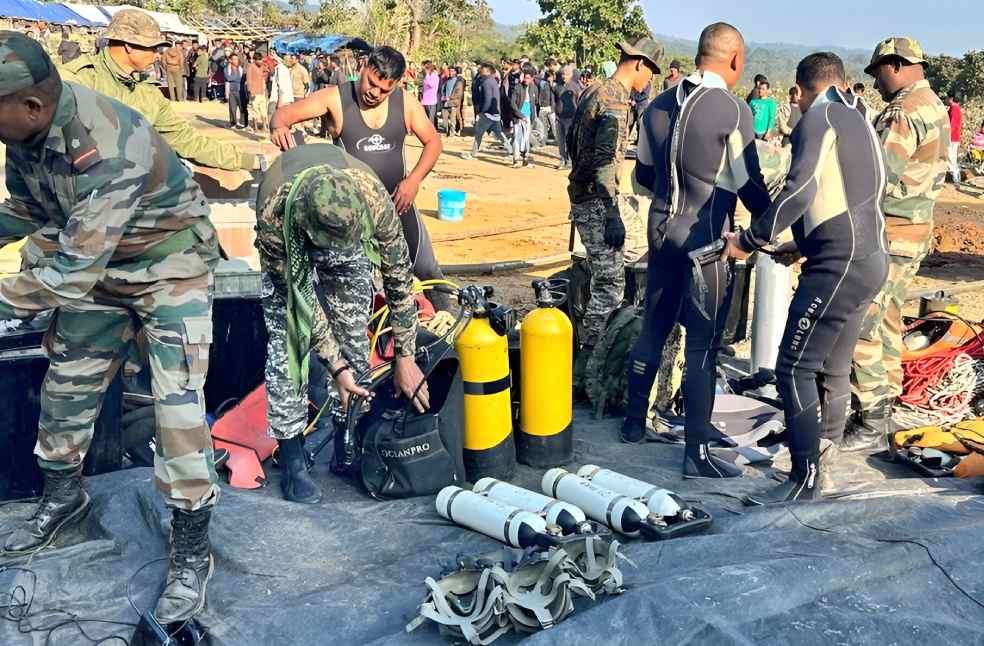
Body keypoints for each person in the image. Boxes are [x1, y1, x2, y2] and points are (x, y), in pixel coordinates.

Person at [0, 31, 219, 624]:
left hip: (169, 267)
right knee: (66, 386)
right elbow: (26, 209)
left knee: (177, 409)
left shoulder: (107, 141)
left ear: (31, 106)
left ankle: (192, 548)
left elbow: (68, 273)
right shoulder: (25, 132)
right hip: (101, 265)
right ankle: (63, 501)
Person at [721, 53, 889, 502]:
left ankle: (804, 477)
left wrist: (750, 238)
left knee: (793, 367)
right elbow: (854, 194)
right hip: (869, 257)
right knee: (833, 367)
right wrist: (803, 244)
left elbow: (799, 190)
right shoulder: (861, 118)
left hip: (839, 263)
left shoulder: (819, 118)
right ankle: (825, 460)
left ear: (797, 91)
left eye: (792, 98)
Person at [620, 24, 772, 478]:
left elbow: (644, 177)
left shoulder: (659, 104)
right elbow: (749, 183)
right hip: (706, 240)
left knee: (654, 325)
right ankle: (696, 455)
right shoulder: (732, 108)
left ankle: (631, 426)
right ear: (735, 60)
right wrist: (770, 229)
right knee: (703, 346)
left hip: (661, 229)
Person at [254, 144, 428, 503]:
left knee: (353, 334)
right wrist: (335, 366)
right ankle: (291, 457)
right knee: (288, 344)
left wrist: (405, 356)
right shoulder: (273, 214)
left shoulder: (372, 200)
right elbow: (300, 303)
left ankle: (346, 439)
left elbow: (398, 277)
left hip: (344, 233)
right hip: (290, 237)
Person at [268, 46, 449, 309]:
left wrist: (413, 181)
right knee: (355, 288)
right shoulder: (335, 99)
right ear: (363, 68)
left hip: (398, 205)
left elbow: (433, 141)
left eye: (384, 89)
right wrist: (279, 128)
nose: (374, 93)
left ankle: (451, 335)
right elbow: (283, 116)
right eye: (371, 83)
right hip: (353, 215)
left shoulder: (405, 102)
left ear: (396, 85)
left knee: (428, 270)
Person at [842, 37, 949, 452]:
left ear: (895, 65)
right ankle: (884, 408)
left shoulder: (902, 113)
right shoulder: (935, 106)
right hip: (915, 233)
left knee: (863, 325)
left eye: (878, 74)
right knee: (889, 322)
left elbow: (874, 178)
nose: (876, 84)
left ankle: (870, 418)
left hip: (889, 234)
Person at [568, 36, 663, 386]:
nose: (649, 81)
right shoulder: (617, 102)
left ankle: (588, 355)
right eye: (650, 73)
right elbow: (607, 162)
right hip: (597, 200)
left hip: (586, 194)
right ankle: (587, 369)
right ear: (639, 64)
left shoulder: (595, 90)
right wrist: (610, 212)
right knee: (609, 286)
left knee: (621, 261)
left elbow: (573, 144)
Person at [59, 10, 260, 172]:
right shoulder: (77, 80)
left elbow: (186, 139)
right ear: (129, 46)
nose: (157, 55)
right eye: (152, 48)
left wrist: (249, 160)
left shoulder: (148, 94)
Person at [463, 62, 512, 160]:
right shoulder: (491, 81)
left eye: (482, 68)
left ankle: (473, 154)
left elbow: (488, 99)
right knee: (499, 133)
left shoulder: (486, 82)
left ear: (488, 71)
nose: (480, 69)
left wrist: (482, 111)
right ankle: (511, 151)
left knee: (479, 133)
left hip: (488, 113)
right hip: (494, 113)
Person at [509, 66, 539, 168]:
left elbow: (535, 103)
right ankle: (516, 160)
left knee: (526, 139)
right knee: (517, 138)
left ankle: (525, 158)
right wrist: (520, 116)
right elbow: (513, 104)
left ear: (532, 79)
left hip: (529, 117)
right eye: (525, 78)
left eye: (528, 78)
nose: (526, 80)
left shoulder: (534, 88)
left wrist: (532, 117)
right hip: (518, 118)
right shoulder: (517, 87)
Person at [553, 64, 580, 170]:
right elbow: (554, 100)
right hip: (559, 117)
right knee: (560, 140)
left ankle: (569, 161)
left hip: (570, 118)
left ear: (571, 75)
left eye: (567, 74)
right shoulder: (557, 86)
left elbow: (578, 102)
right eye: (563, 74)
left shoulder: (575, 87)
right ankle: (562, 159)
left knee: (569, 140)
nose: (564, 76)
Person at [246, 51, 269, 132]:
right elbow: (248, 80)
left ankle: (264, 126)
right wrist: (250, 91)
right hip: (254, 92)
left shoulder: (263, 66)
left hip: (262, 91)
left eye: (261, 60)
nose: (260, 61)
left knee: (263, 110)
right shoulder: (250, 66)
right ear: (255, 60)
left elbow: (267, 71)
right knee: (255, 111)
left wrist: (264, 78)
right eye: (259, 60)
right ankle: (255, 127)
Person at [441, 66, 465, 137]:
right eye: (449, 71)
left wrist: (450, 97)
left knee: (453, 120)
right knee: (444, 120)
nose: (450, 73)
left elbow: (459, 94)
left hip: (454, 103)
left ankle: (453, 133)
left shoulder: (459, 82)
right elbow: (443, 89)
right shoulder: (447, 81)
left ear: (455, 72)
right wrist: (443, 96)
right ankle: (447, 130)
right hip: (445, 102)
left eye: (452, 71)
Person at [225, 52, 246, 128]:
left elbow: (243, 78)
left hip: (241, 91)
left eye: (237, 59)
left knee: (242, 108)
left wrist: (235, 79)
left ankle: (242, 123)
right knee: (232, 109)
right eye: (234, 59)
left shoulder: (240, 69)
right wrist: (237, 78)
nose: (236, 61)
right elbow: (228, 78)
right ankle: (233, 123)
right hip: (231, 91)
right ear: (230, 60)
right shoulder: (226, 69)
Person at [945, 92, 962, 183]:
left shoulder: (954, 108)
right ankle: (955, 177)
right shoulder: (955, 107)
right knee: (951, 158)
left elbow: (952, 123)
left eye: (946, 98)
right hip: (953, 136)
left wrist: (947, 135)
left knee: (950, 158)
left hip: (952, 136)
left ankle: (955, 178)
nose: (945, 100)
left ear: (950, 98)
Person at [420, 60, 439, 128]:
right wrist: (422, 99)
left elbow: (431, 85)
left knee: (431, 120)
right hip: (425, 101)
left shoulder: (435, 77)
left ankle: (432, 134)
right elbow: (424, 89)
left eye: (426, 69)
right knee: (426, 119)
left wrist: (427, 74)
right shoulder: (426, 76)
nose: (424, 70)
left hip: (432, 101)